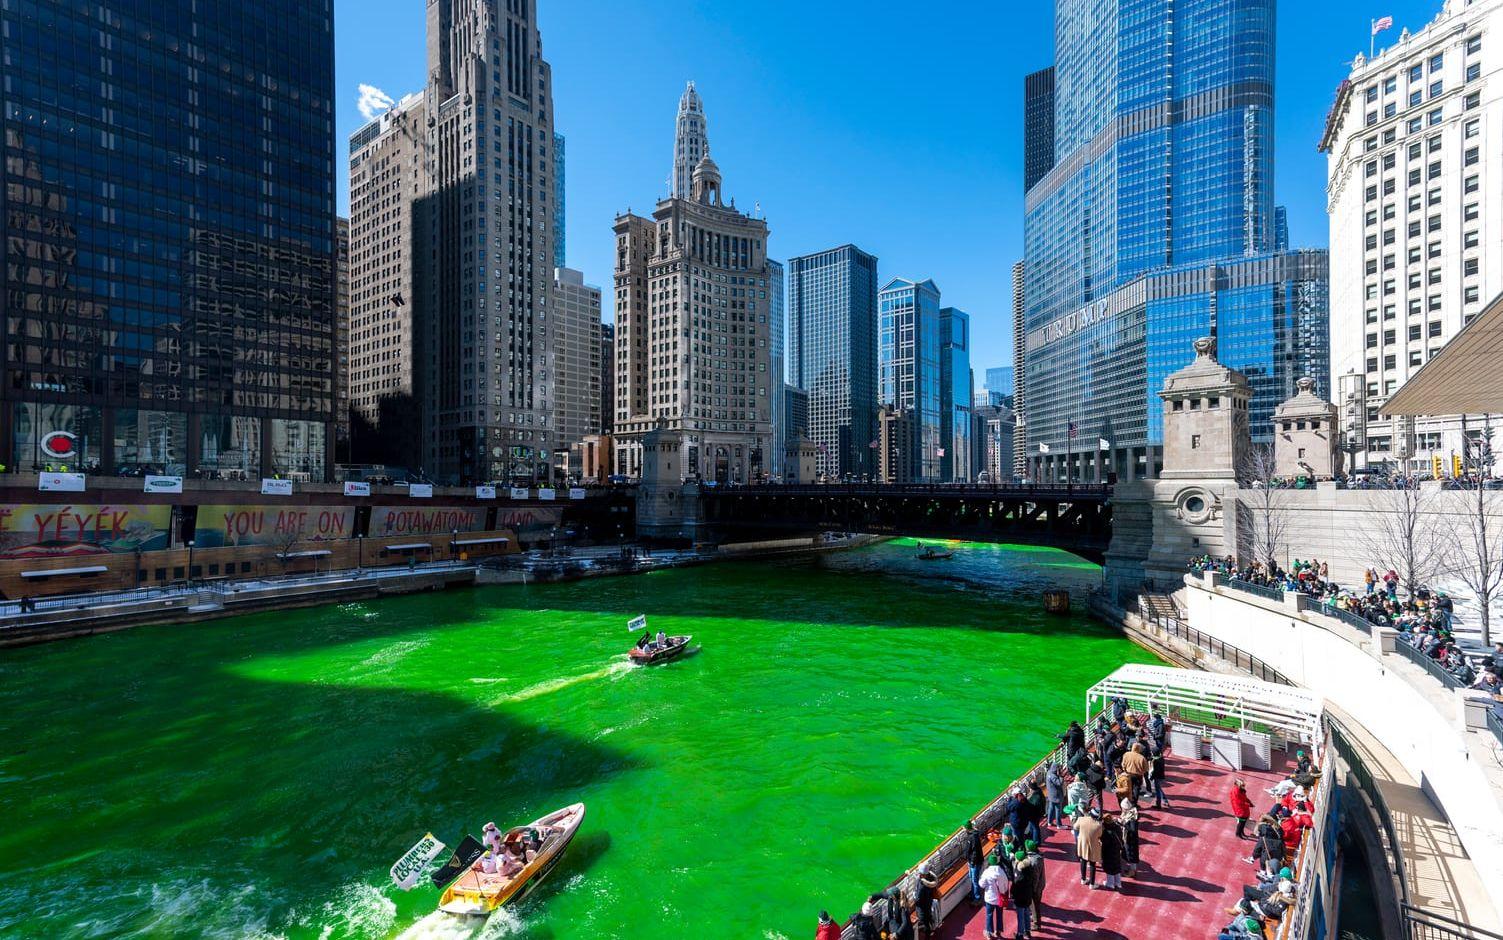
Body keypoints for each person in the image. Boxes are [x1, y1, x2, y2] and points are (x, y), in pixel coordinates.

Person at [978, 853, 1011, 940]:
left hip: (990, 898)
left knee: (989, 915)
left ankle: (989, 933)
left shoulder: (987, 872)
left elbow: (981, 884)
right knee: (999, 914)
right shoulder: (1001, 871)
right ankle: (998, 931)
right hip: (999, 899)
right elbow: (1005, 884)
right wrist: (1002, 891)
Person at [1073, 808, 1103, 887]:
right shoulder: (1098, 825)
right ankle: (1092, 884)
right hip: (1093, 846)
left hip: (1082, 844)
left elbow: (1075, 827)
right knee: (1093, 864)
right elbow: (1100, 835)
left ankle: (1083, 879)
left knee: (1083, 861)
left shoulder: (1081, 819)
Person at [1010, 851, 1035, 938]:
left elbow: (1015, 885)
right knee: (1027, 913)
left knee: (1020, 916)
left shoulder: (1019, 873)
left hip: (1020, 897)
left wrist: (1012, 895)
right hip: (1028, 895)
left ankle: (1020, 934)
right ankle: (1027, 932)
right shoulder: (1030, 868)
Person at [1023, 839, 1046, 932]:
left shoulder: (1033, 861)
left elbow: (1035, 877)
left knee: (1035, 905)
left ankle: (1037, 924)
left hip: (1035, 887)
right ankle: (1035, 918)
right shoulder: (1038, 857)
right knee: (1036, 904)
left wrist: (1033, 889)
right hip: (1040, 884)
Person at [961, 820, 985, 904]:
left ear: (967, 828)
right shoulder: (972, 835)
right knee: (972, 878)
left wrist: (972, 862)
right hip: (972, 861)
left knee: (975, 880)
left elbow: (975, 851)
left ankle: (977, 898)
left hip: (974, 862)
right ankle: (973, 894)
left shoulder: (973, 837)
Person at [1099, 815, 1124, 891]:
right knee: (1117, 865)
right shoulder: (1118, 828)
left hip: (1108, 852)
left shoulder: (1106, 832)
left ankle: (1110, 884)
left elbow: (1104, 843)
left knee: (1109, 867)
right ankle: (1118, 882)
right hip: (1117, 850)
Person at [914, 867, 938, 936]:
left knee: (924, 921)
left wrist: (914, 899)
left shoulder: (922, 885)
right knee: (928, 916)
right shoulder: (931, 878)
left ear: (922, 874)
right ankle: (931, 927)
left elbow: (918, 899)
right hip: (928, 903)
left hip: (922, 907)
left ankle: (927, 934)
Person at [1045, 763, 1065, 829]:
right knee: (1058, 810)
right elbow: (1059, 783)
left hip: (1051, 795)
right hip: (1056, 797)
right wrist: (1061, 776)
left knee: (1050, 809)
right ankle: (1059, 825)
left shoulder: (1048, 773)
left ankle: (1049, 822)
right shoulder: (1054, 776)